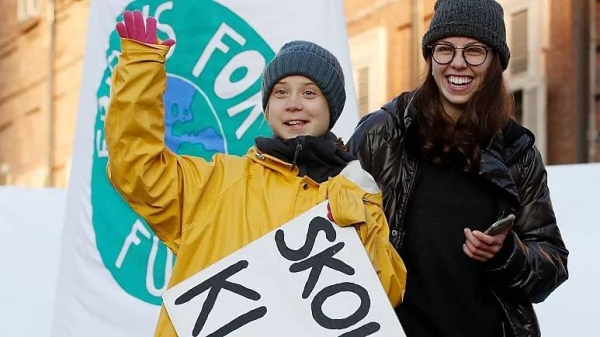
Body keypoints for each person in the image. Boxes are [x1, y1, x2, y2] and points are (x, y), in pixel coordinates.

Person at [106, 10, 407, 337]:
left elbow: (386, 293)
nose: (293, 104)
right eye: (280, 92)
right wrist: (139, 70)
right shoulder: (217, 182)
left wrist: (359, 224)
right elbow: (137, 167)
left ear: (330, 108)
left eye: (309, 92)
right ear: (266, 108)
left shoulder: (356, 190)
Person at [346, 1, 569, 336]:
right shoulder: (382, 133)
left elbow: (551, 265)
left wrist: (506, 252)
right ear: (430, 56)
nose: (458, 63)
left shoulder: (518, 151)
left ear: (495, 61)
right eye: (445, 49)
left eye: (475, 50)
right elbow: (333, 229)